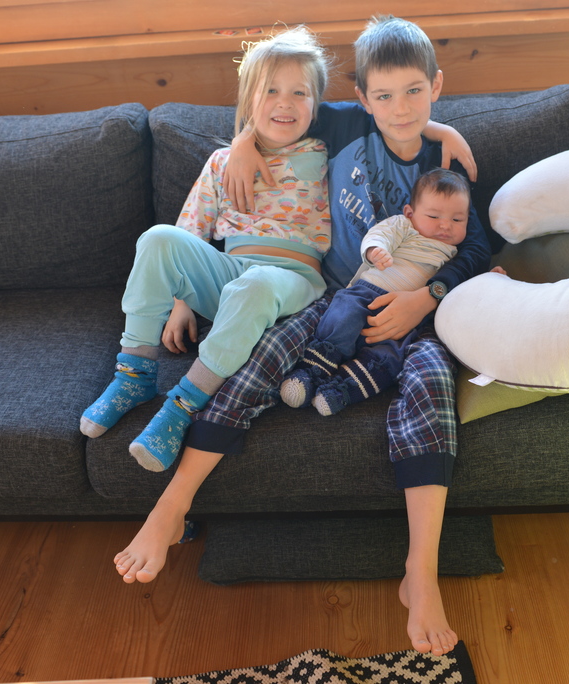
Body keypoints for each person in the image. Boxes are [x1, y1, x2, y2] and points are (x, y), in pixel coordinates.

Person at [112, 15, 491, 659]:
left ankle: (420, 573)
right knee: (258, 360)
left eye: (415, 93)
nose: (400, 109)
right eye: (384, 95)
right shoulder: (342, 127)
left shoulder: (447, 162)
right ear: (363, 99)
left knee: (433, 383)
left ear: (435, 87)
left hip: (417, 314)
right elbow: (276, 110)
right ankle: (171, 508)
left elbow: (476, 246)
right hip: (331, 298)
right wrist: (240, 143)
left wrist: (425, 296)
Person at [79, 26, 332, 473]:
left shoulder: (330, 154)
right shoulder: (221, 162)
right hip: (231, 275)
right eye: (271, 90)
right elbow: (191, 230)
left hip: (295, 283)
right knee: (158, 238)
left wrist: (439, 131)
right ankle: (134, 375)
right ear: (249, 100)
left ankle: (182, 406)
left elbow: (389, 119)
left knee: (256, 283)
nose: (285, 102)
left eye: (300, 92)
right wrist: (181, 304)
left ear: (317, 104)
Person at [280, 168, 470, 417]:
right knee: (344, 313)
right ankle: (312, 370)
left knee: (393, 355)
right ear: (410, 213)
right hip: (370, 292)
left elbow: (460, 284)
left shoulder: (455, 254)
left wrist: (491, 275)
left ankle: (342, 390)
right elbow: (381, 234)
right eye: (434, 216)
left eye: (458, 220)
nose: (445, 225)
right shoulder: (404, 225)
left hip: (407, 320)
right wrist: (376, 250)